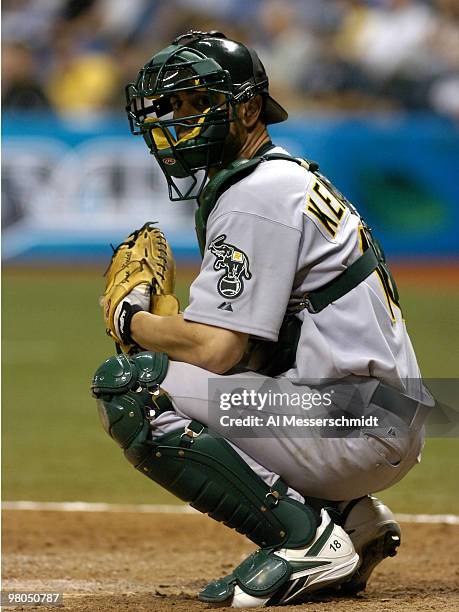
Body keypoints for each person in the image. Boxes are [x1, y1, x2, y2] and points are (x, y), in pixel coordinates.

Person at [92, 30, 430, 606]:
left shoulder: (256, 194)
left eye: (197, 104)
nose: (176, 123)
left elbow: (218, 352)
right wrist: (177, 327)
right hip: (381, 410)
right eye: (172, 108)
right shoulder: (282, 177)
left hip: (352, 422)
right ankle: (352, 519)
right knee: (200, 374)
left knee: (133, 388)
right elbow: (242, 353)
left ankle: (304, 541)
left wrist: (133, 320)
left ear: (247, 107)